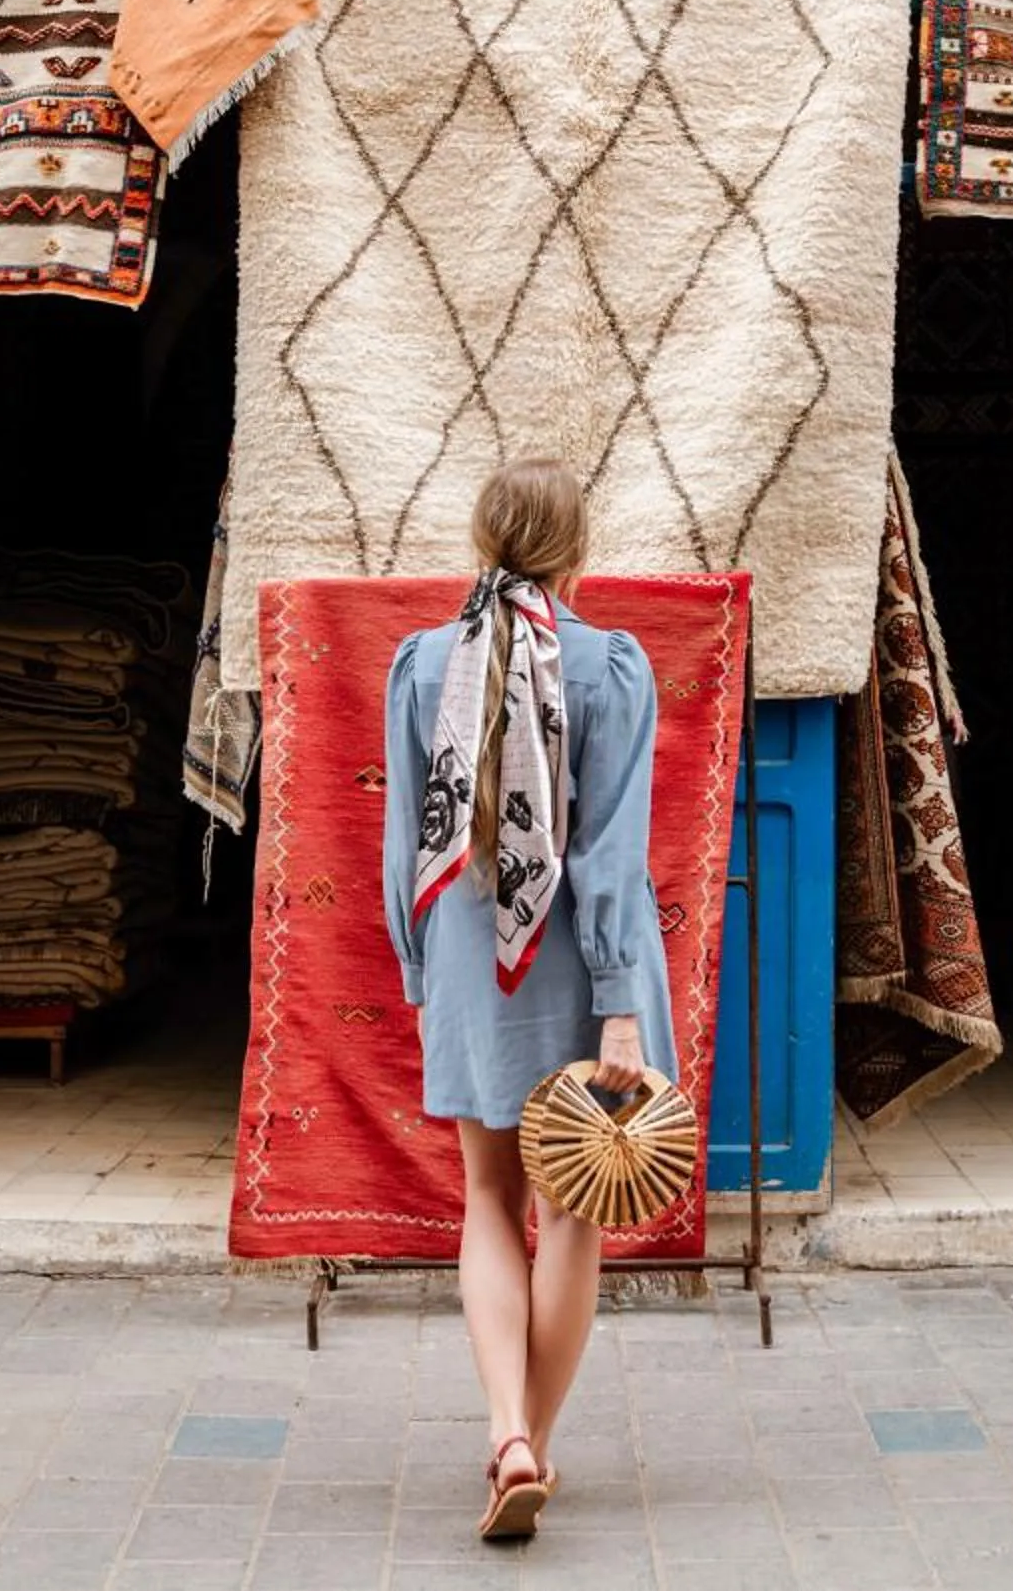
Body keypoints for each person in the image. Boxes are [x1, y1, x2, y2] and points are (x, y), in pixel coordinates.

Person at [381, 457, 676, 1543]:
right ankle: (533, 1447)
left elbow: (406, 836)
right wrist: (619, 1001)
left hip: (467, 957)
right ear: (577, 550)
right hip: (580, 970)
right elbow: (609, 853)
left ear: (481, 539)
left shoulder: (421, 666)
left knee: (487, 1201)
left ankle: (506, 1429)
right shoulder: (611, 668)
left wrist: (419, 973)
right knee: (575, 1213)